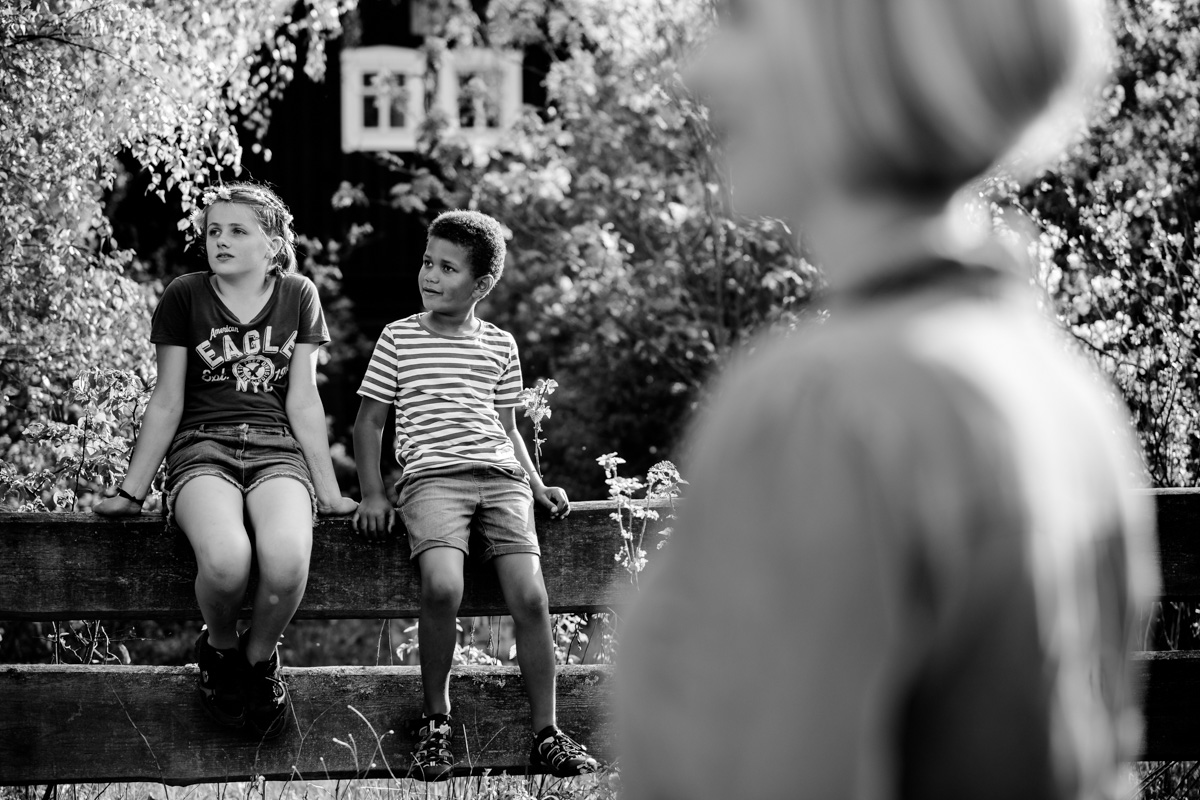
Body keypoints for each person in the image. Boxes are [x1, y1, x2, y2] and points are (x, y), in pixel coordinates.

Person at [617, 1, 1160, 799]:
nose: (695, 74)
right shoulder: (1065, 393)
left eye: (741, 21)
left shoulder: (819, 406)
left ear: (853, 52)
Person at [95, 182, 357, 739]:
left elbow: (304, 399)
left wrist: (329, 492)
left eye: (238, 230)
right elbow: (167, 399)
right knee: (227, 560)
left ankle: (258, 661)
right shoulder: (185, 295)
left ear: (272, 244)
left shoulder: (298, 294)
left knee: (286, 558)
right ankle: (218, 647)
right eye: (213, 230)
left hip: (276, 449)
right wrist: (131, 490)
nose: (220, 240)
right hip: (202, 447)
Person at [352, 210, 600, 780]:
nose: (429, 275)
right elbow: (369, 424)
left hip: (502, 481)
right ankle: (436, 724)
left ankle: (548, 732)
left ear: (481, 285)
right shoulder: (399, 337)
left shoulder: (499, 344)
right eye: (427, 262)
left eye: (447, 268)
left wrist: (536, 486)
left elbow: (508, 428)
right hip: (433, 480)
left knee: (531, 599)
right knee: (443, 586)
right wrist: (372, 492)